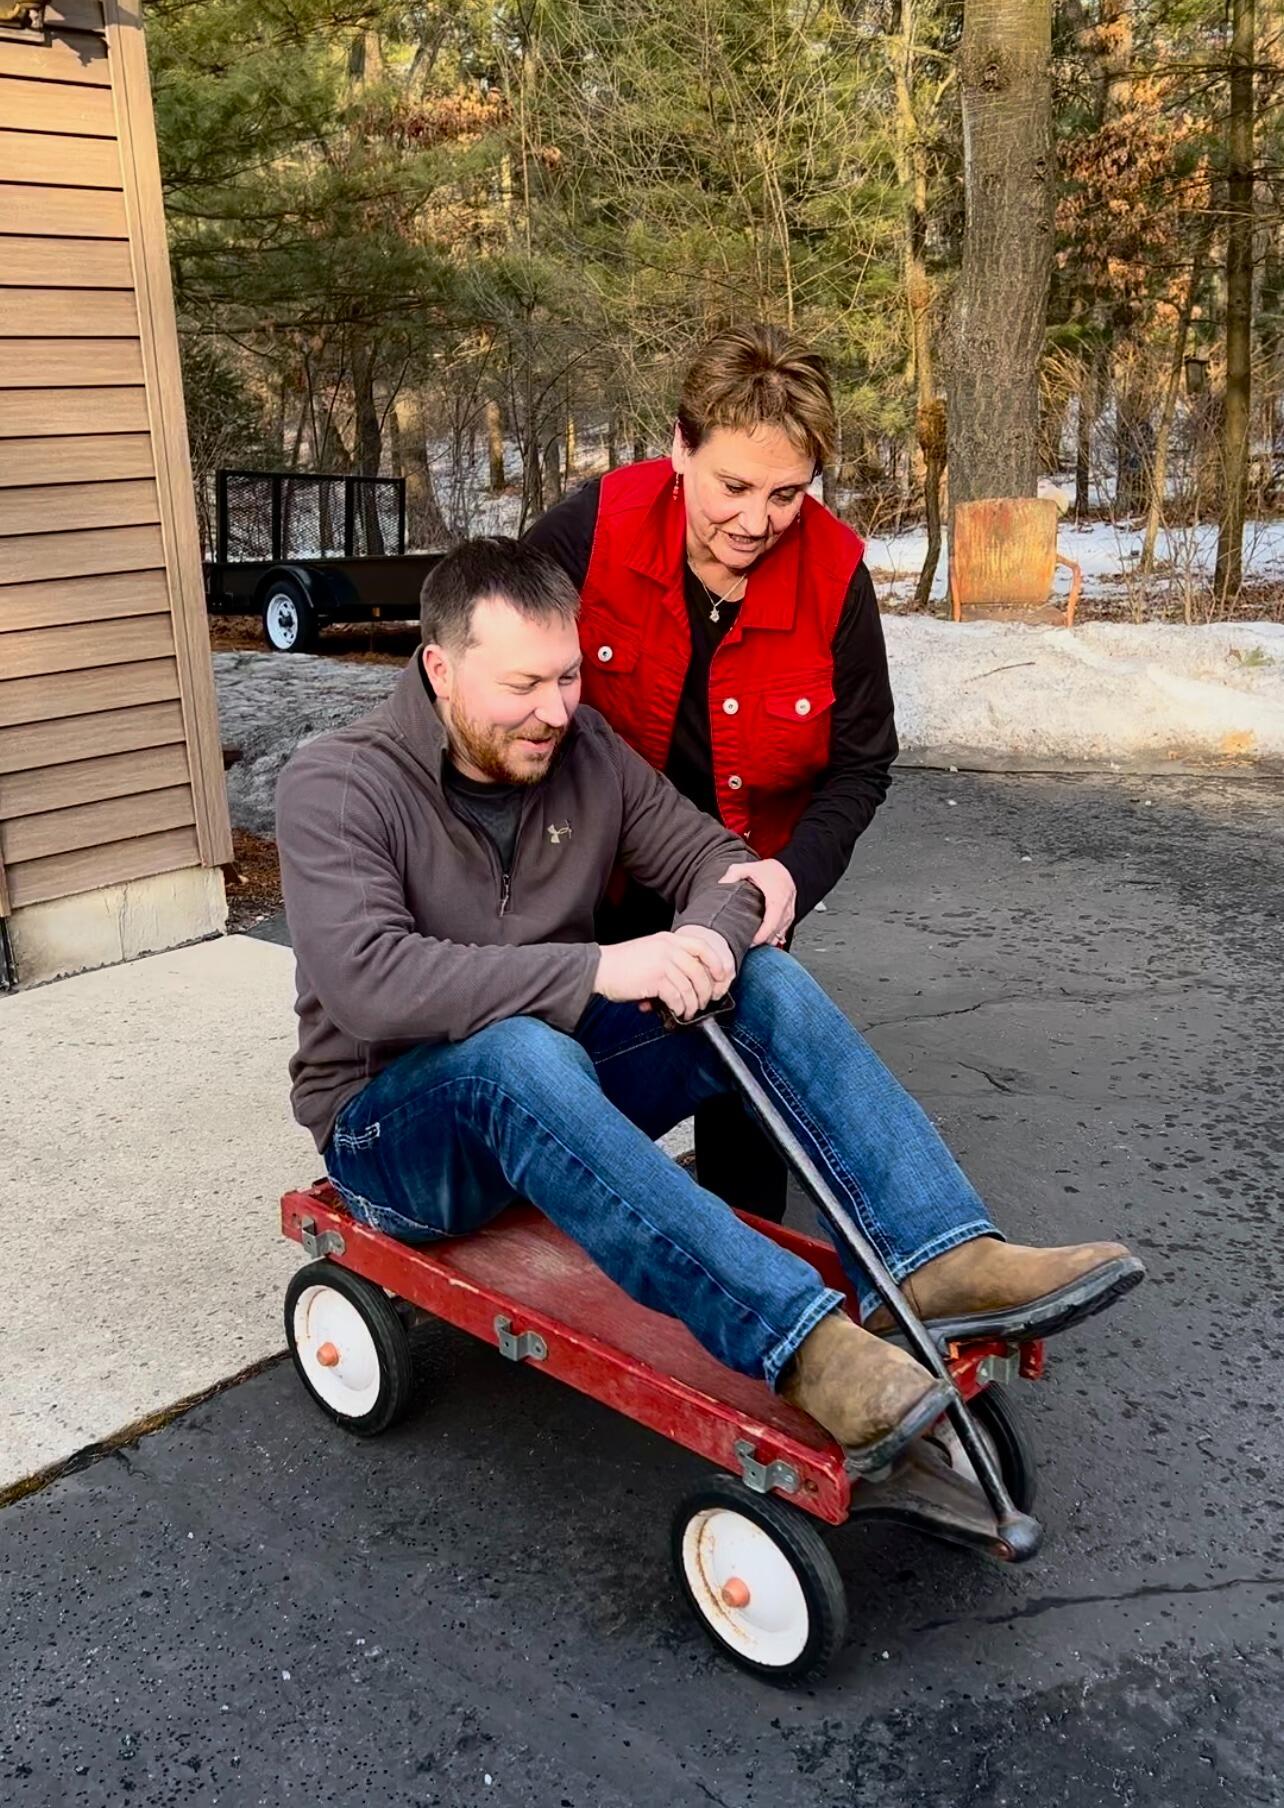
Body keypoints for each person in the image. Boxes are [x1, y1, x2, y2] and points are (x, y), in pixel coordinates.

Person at [275, 537, 1143, 1473]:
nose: (556, 711)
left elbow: (720, 863)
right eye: (523, 686)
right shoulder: (339, 783)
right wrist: (600, 968)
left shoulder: (586, 751)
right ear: (440, 669)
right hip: (393, 1136)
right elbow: (368, 981)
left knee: (756, 979)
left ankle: (934, 1259)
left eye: (568, 677)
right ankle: (802, 1346)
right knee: (516, 1055)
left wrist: (706, 945)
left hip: (547, 1078)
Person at [525, 322, 894, 1224]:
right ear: (680, 447)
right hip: (589, 874)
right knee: (576, 1081)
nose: (755, 522)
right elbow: (489, 682)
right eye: (733, 486)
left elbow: (861, 764)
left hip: (743, 878)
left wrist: (790, 880)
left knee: (748, 1089)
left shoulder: (837, 574)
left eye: (785, 495)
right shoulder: (592, 528)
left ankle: (760, 1279)